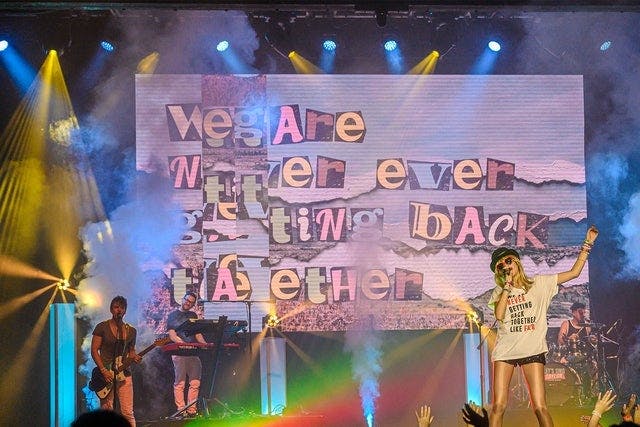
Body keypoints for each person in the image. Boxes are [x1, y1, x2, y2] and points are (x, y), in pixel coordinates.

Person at [487, 225, 598, 427]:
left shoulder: (539, 283)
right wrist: (507, 287)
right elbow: (500, 315)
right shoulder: (499, 291)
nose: (505, 265)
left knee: (540, 407)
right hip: (505, 351)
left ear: (516, 262)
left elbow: (574, 273)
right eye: (500, 265)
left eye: (508, 260)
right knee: (498, 406)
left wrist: (587, 245)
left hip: (532, 350)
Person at [91, 296, 141, 427]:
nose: (119, 310)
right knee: (107, 411)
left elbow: (131, 351)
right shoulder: (102, 327)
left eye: (122, 308)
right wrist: (103, 370)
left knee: (127, 412)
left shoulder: (131, 331)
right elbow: (94, 350)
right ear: (111, 309)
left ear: (125, 311)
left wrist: (135, 357)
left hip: (125, 373)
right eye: (116, 307)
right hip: (106, 374)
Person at [166, 291, 209, 418]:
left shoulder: (193, 315)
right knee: (180, 383)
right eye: (187, 300)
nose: (188, 303)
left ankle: (191, 410)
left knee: (195, 383)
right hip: (179, 353)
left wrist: (204, 344)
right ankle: (181, 410)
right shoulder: (173, 315)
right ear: (183, 299)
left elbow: (198, 334)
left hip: (193, 353)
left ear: (193, 304)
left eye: (191, 302)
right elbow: (172, 335)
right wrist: (183, 343)